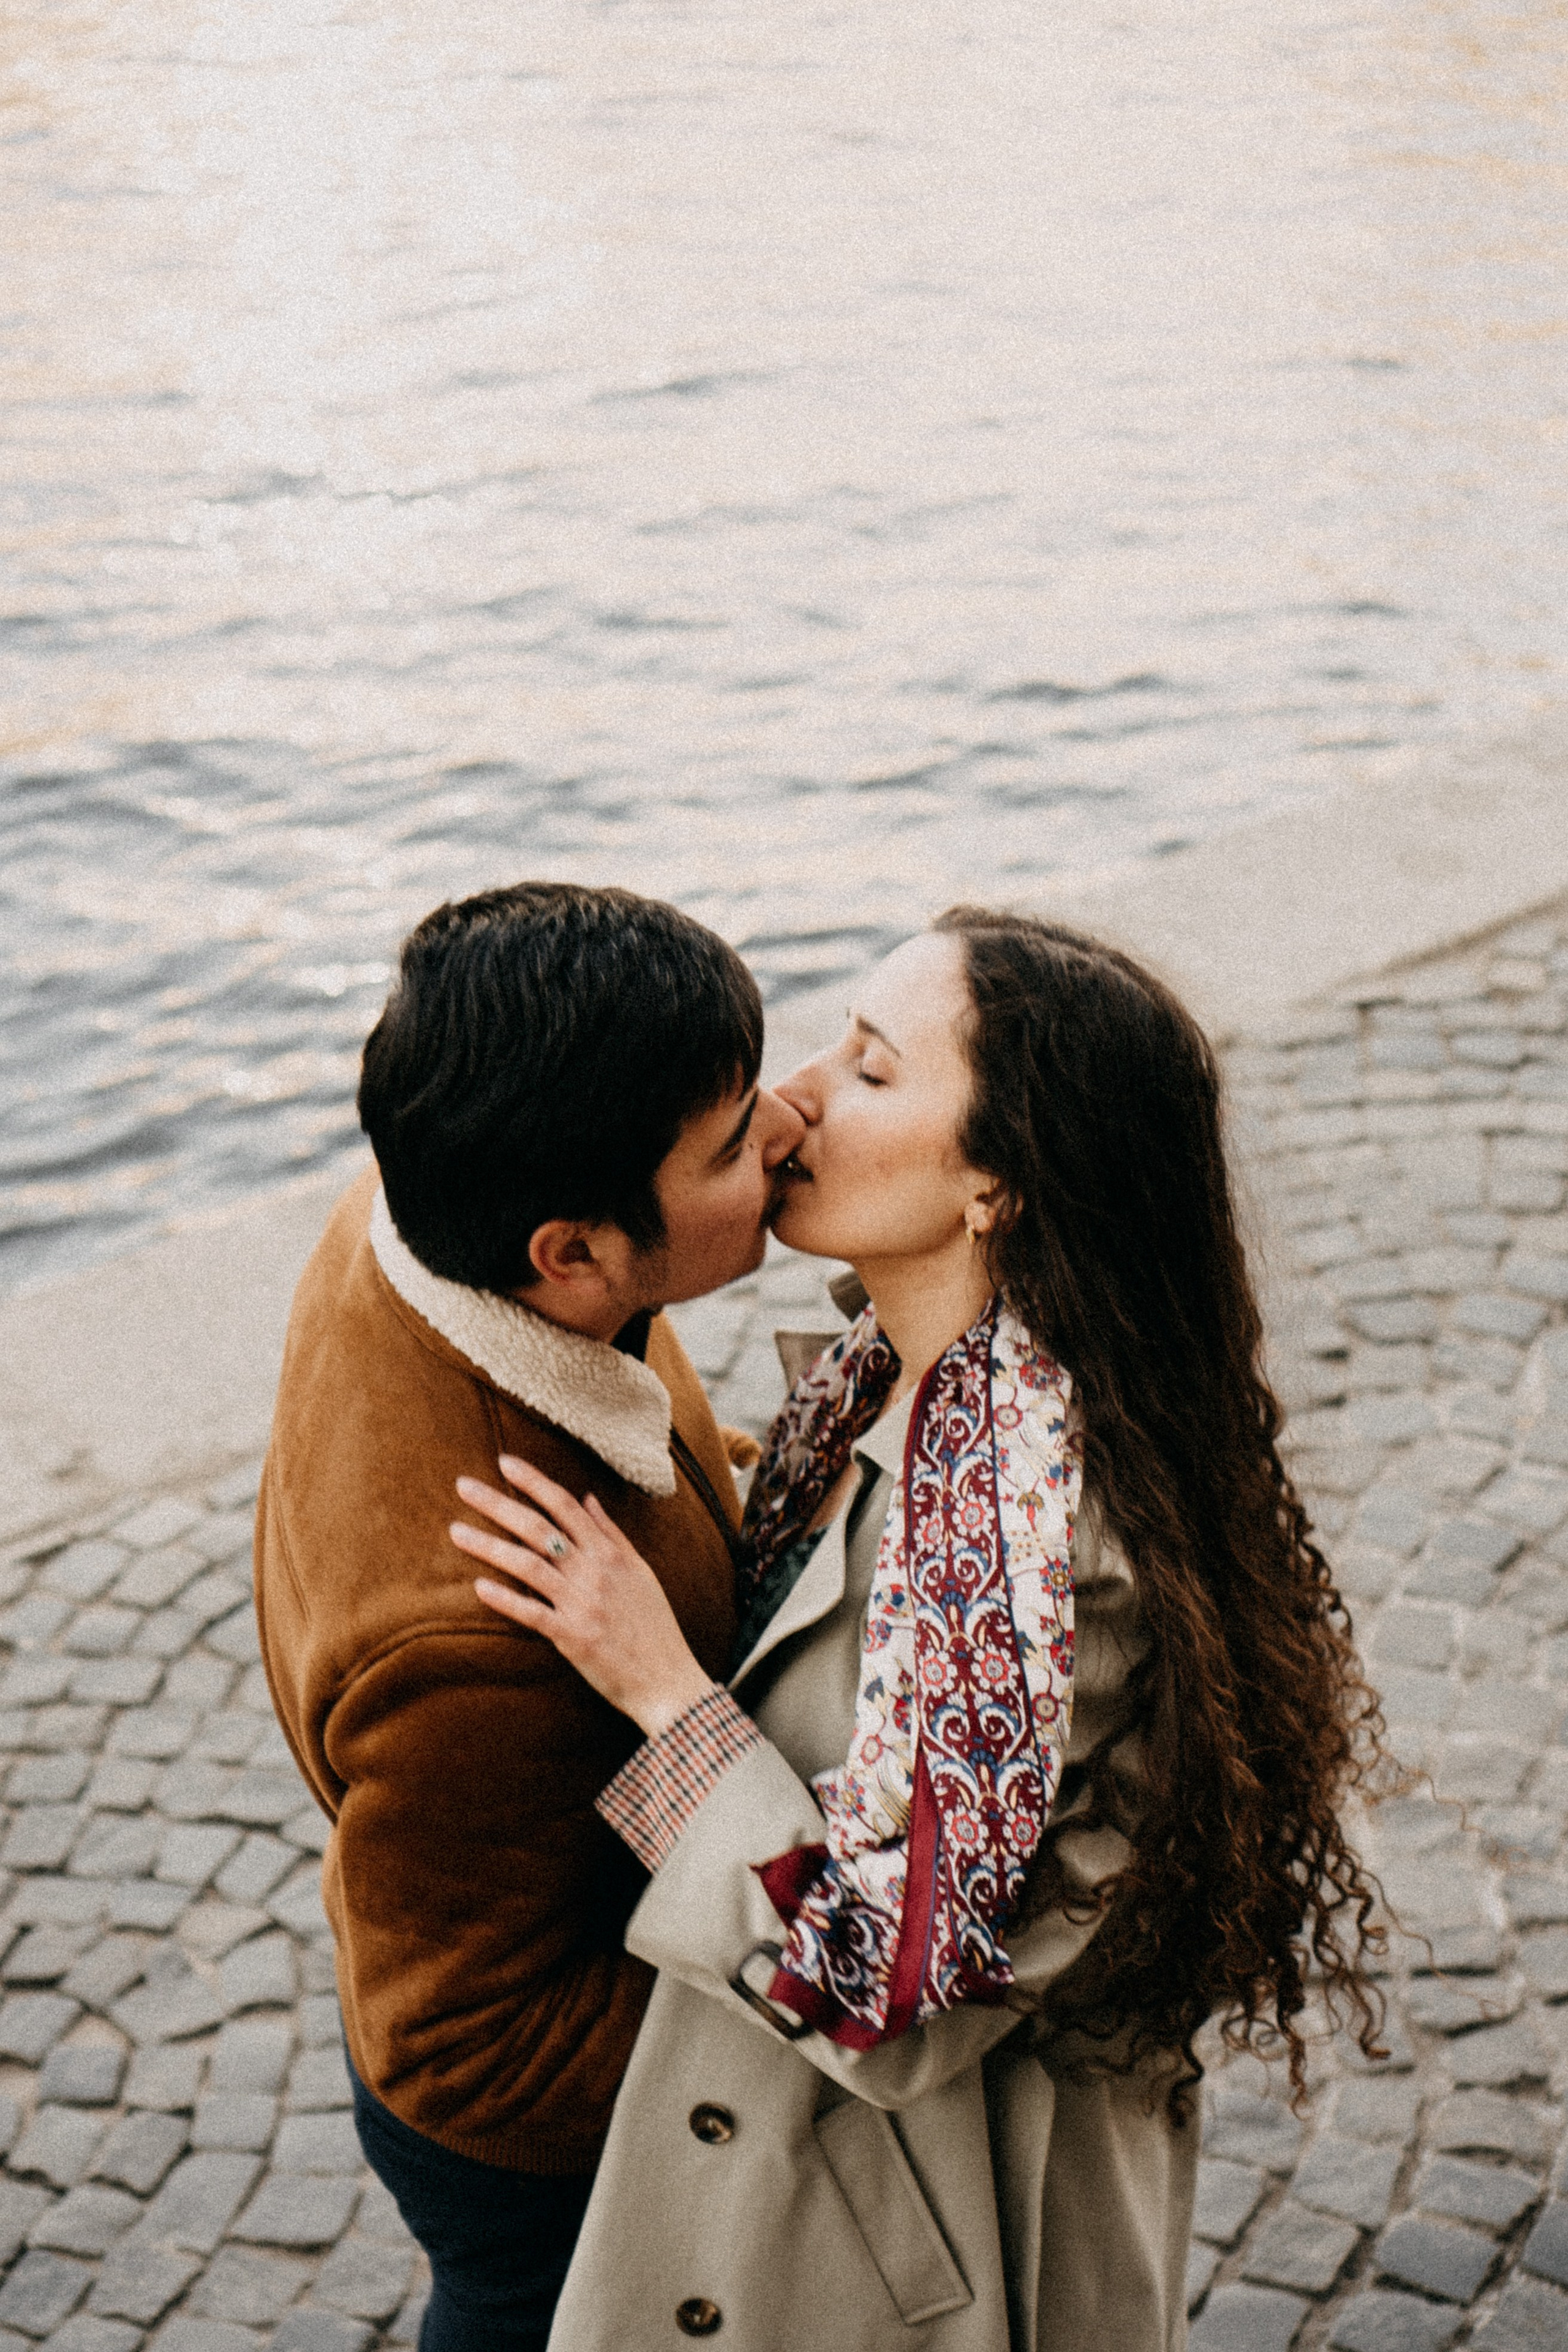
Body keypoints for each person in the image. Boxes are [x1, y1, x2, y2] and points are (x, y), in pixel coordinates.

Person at [453, 909, 1390, 2351]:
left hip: (912, 2256)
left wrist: (662, 1694)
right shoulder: (894, 1391)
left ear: (995, 1185)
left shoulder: (1024, 1523)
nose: (794, 1100)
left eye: (873, 1072)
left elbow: (888, 1995)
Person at [254, 881, 804, 2351]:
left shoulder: (429, 1213)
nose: (789, 1139)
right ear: (569, 1255)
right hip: (543, 2178)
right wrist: (774, 2058)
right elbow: (468, 2052)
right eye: (736, 1146)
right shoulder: (471, 1641)